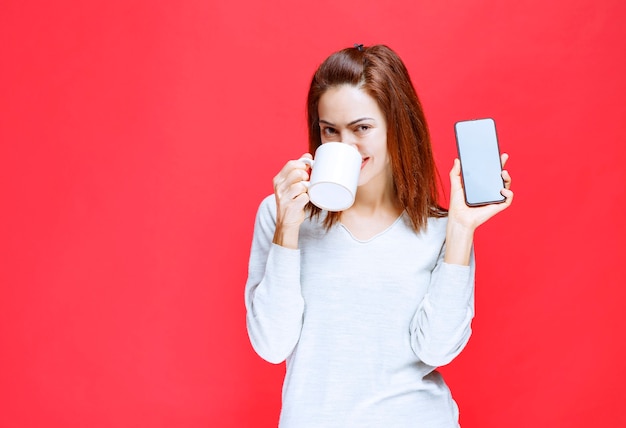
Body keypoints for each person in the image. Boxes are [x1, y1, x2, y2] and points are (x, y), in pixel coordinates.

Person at [244, 44, 513, 428]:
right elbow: (272, 345)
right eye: (329, 131)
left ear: (395, 126)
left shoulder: (440, 228)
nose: (343, 146)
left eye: (362, 128)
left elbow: (437, 348)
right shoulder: (282, 213)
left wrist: (460, 229)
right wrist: (288, 228)